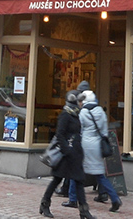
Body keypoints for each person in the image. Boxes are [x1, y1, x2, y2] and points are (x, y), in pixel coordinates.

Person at [40, 91, 94, 219]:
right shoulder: (65, 115)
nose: (81, 104)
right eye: (79, 102)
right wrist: (67, 151)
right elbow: (60, 135)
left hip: (75, 154)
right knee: (56, 180)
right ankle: (44, 204)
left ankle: (84, 211)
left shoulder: (76, 115)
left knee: (79, 181)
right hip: (66, 156)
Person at [74, 89, 122, 212]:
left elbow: (80, 129)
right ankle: (115, 198)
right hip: (97, 146)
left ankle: (73, 198)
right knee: (100, 175)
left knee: (76, 171)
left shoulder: (83, 112)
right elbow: (104, 130)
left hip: (86, 144)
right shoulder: (100, 111)